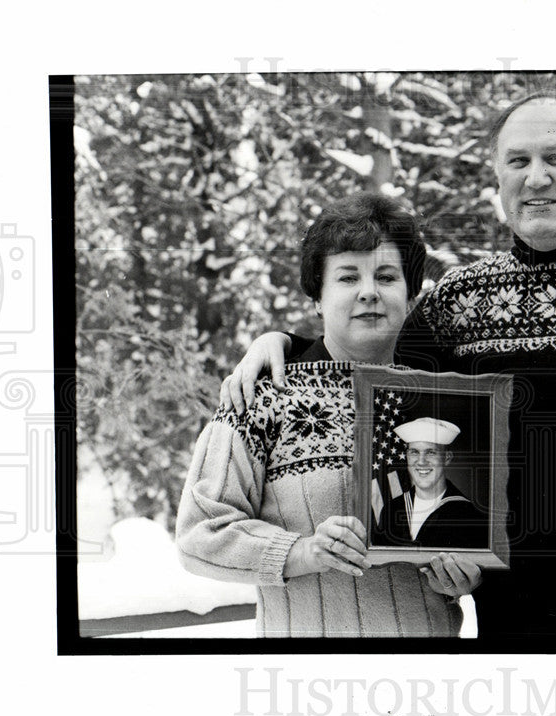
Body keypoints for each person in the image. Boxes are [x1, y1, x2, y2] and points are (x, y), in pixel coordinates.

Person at [220, 91, 556, 639]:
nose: (536, 178)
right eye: (519, 161)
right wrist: (291, 347)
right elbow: (373, 358)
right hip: (516, 621)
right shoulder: (465, 298)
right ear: (499, 177)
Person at [175, 193, 481, 637]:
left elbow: (468, 531)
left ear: (410, 295)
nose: (369, 292)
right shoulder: (264, 395)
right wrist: (302, 553)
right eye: (347, 277)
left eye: (387, 276)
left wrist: (462, 578)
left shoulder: (444, 404)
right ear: (317, 297)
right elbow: (200, 533)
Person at [372, 417, 490, 549]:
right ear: (407, 457)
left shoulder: (470, 517)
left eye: (431, 452)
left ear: (447, 458)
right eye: (414, 452)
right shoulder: (391, 510)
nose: (421, 461)